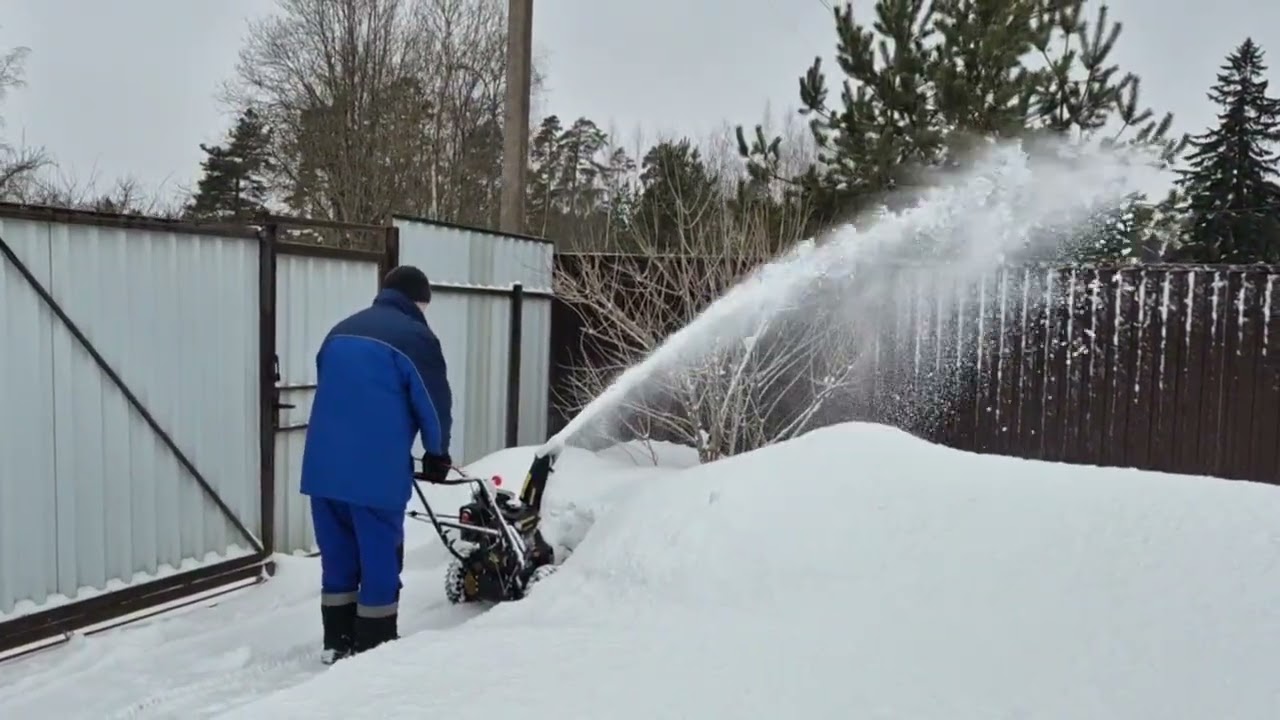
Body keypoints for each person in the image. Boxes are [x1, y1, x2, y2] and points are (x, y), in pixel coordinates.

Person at [299, 265, 453, 664]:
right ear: (419, 301)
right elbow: (433, 402)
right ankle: (374, 651)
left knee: (338, 560)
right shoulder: (415, 337)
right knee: (380, 562)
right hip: (374, 474)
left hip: (323, 470)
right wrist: (437, 453)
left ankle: (337, 641)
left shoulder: (340, 331)